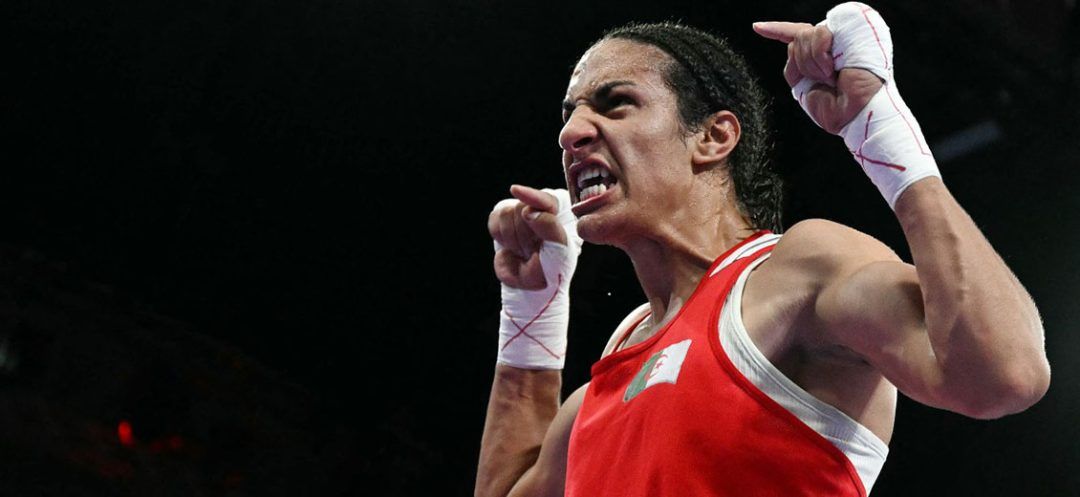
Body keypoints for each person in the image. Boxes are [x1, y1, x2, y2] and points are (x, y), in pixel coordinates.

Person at [476, 4, 1051, 496]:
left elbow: (1004, 377)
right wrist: (534, 305)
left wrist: (881, 129)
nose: (572, 132)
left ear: (713, 137)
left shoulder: (797, 273)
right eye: (570, 113)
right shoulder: (623, 354)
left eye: (614, 103)